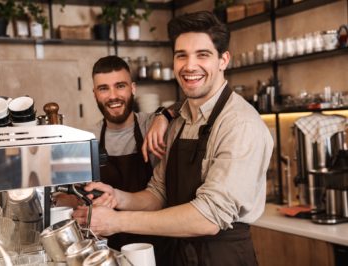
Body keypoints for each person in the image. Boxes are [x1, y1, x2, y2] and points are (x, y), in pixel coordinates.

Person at [74, 11, 274, 266]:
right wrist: (117, 197)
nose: (190, 66)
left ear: (223, 60)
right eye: (182, 55)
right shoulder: (178, 120)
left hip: (222, 258)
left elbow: (209, 217)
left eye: (202, 55)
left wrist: (115, 221)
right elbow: (159, 192)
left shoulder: (240, 124)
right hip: (178, 256)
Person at [56, 55, 172, 265]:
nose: (113, 96)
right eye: (103, 88)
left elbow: (184, 108)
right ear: (94, 93)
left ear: (133, 88)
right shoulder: (87, 139)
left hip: (155, 246)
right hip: (107, 249)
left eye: (120, 86)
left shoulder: (152, 126)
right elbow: (75, 195)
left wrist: (164, 115)